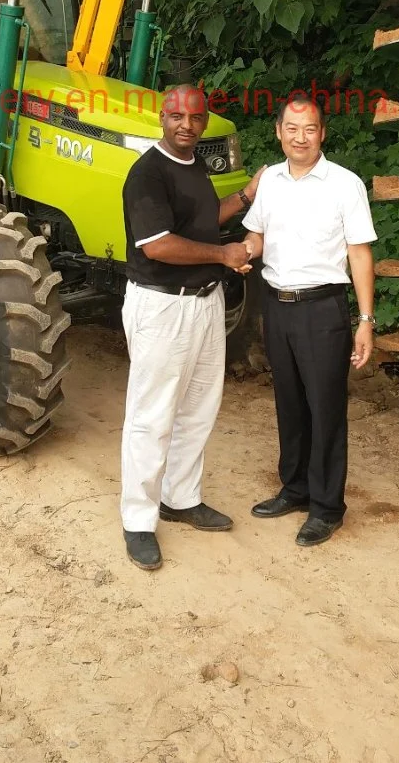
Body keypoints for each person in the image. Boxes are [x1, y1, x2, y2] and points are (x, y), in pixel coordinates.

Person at [120, 84, 264, 572]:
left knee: (200, 406)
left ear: (204, 122)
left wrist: (246, 195)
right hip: (163, 307)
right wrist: (225, 254)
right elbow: (158, 244)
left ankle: (180, 498)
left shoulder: (194, 165)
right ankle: (138, 520)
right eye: (177, 116)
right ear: (163, 117)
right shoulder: (147, 174)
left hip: (204, 304)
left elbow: (202, 219)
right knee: (152, 414)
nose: (186, 125)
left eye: (195, 118)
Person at [242, 96, 376, 548]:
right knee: (290, 404)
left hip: (322, 311)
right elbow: (256, 234)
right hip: (276, 305)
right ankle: (295, 489)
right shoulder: (271, 183)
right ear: (279, 131)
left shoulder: (344, 185)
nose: (301, 137)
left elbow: (359, 253)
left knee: (326, 409)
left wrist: (365, 320)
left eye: (310, 129)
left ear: (323, 133)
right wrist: (239, 253)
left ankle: (326, 508)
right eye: (293, 128)